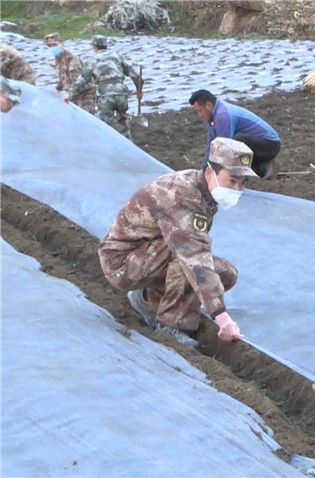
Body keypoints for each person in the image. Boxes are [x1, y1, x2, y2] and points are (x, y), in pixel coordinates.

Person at [98, 137, 259, 346]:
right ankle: (171, 327)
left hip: (148, 253)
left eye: (242, 183)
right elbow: (194, 256)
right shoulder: (183, 197)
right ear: (210, 173)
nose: (237, 189)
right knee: (189, 261)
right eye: (232, 181)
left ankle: (146, 298)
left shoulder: (201, 189)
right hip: (122, 263)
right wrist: (222, 317)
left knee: (225, 273)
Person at [189, 89, 281, 179]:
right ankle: (261, 167)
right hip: (258, 144)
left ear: (208, 105)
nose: (199, 115)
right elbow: (211, 147)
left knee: (236, 142)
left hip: (270, 145)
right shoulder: (212, 118)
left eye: (200, 111)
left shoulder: (222, 115)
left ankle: (260, 168)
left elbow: (224, 148)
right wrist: (204, 170)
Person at [67, 35, 142, 140]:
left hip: (106, 95)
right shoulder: (117, 56)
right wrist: (139, 90)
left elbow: (82, 81)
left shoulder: (92, 60)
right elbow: (136, 75)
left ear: (94, 46)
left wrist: (70, 97)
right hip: (121, 94)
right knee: (123, 121)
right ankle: (128, 143)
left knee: (104, 125)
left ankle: (107, 145)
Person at [44, 32, 95, 114]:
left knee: (85, 116)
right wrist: (57, 90)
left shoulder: (72, 59)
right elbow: (63, 78)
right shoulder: (58, 59)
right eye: (49, 46)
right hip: (73, 94)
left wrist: (69, 95)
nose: (52, 48)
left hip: (84, 94)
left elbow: (77, 81)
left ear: (62, 43)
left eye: (55, 45)